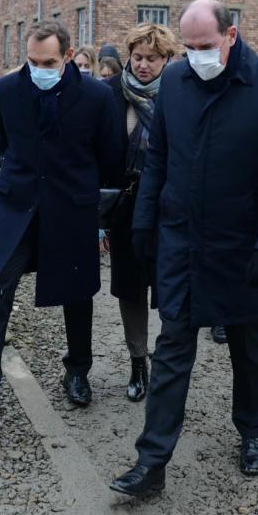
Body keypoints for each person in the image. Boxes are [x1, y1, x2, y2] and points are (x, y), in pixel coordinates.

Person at [110, 0, 258, 496]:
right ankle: (151, 462)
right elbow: (159, 159)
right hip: (183, 240)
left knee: (247, 347)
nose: (197, 56)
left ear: (231, 35)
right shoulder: (175, 83)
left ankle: (252, 431)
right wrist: (144, 222)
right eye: (190, 47)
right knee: (173, 345)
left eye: (206, 47)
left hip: (244, 245)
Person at [0, 22, 124, 428]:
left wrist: (88, 203)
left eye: (49, 62)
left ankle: (77, 371)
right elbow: (1, 146)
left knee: (76, 292)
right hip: (18, 206)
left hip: (72, 207)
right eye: (32, 60)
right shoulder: (7, 89)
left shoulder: (95, 96)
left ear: (67, 55)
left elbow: (111, 159)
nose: (39, 67)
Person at [105, 22, 179, 402]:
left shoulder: (181, 95)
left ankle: (168, 362)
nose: (143, 65)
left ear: (167, 59)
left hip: (168, 206)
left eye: (152, 58)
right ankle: (138, 361)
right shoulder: (112, 95)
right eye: (137, 58)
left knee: (169, 286)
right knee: (130, 287)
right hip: (126, 205)